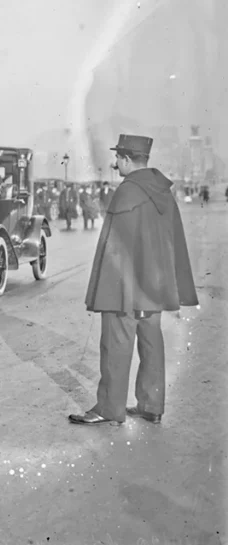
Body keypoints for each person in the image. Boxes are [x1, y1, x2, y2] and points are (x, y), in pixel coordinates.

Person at [69, 135, 198, 426]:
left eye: (118, 159)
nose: (115, 164)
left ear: (127, 159)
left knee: (116, 346)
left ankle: (108, 409)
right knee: (152, 343)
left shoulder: (127, 191)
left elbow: (114, 249)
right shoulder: (163, 191)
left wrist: (107, 292)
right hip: (154, 288)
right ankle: (151, 407)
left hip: (125, 290)